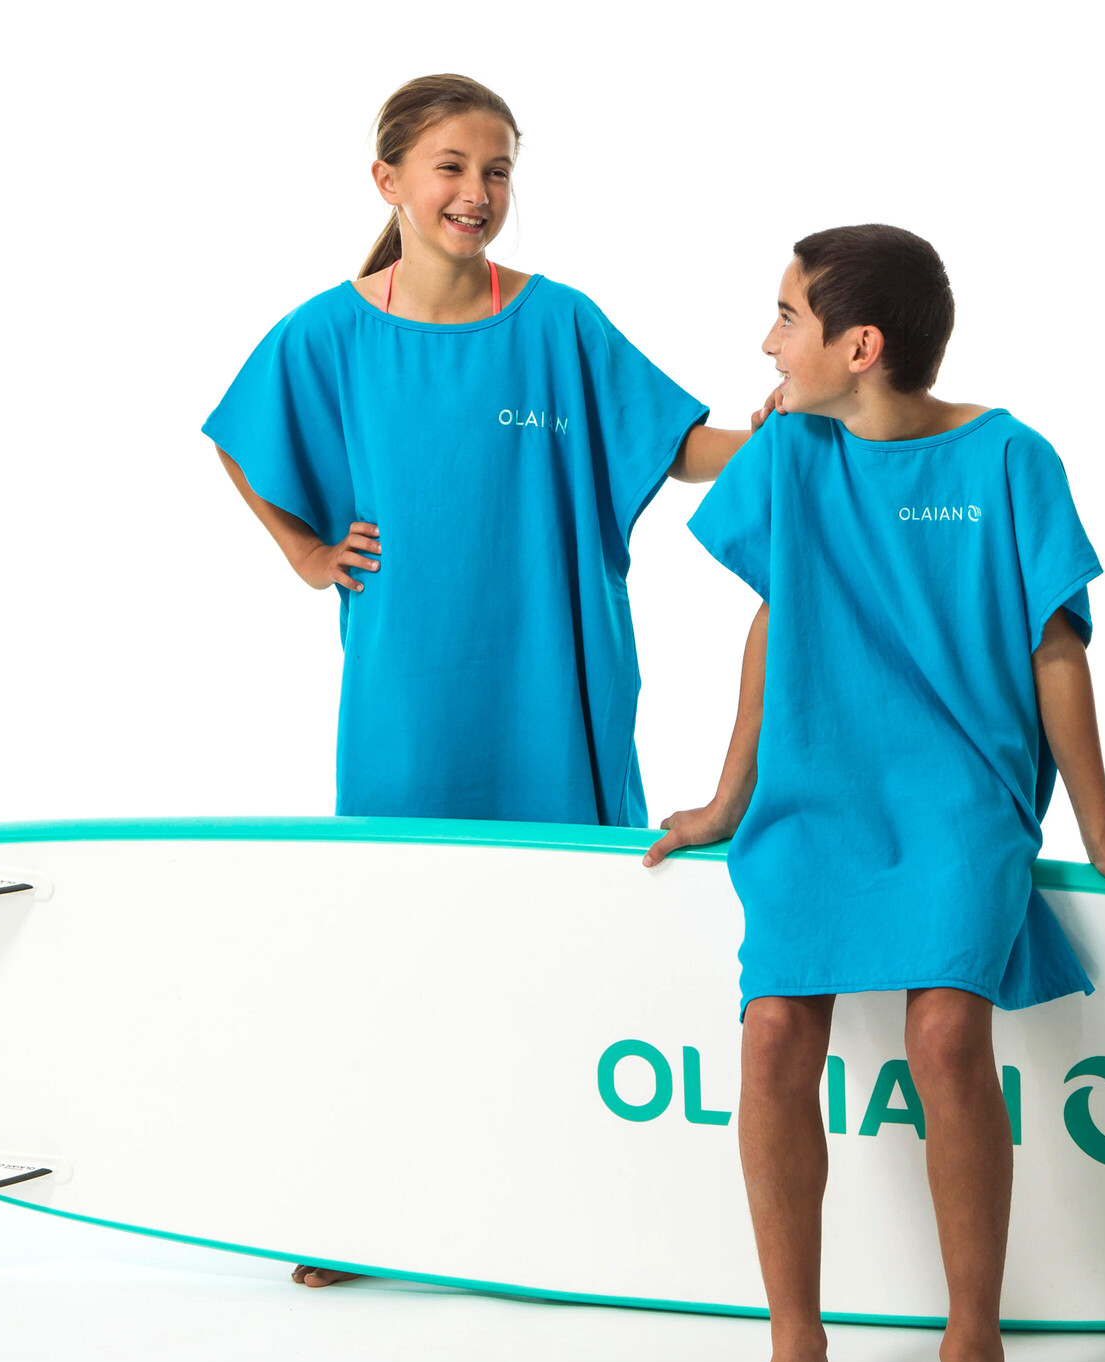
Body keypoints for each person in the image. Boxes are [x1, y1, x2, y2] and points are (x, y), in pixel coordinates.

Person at [643, 225, 1105, 1362]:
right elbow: (773, 625)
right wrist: (728, 798)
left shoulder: (1011, 458)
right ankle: (797, 1351)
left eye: (787, 317)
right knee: (771, 1033)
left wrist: (1102, 829)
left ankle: (974, 1349)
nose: (767, 341)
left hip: (960, 792)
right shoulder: (791, 450)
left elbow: (1055, 648)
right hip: (818, 785)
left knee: (947, 1034)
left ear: (860, 345)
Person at [201, 73, 762, 1288]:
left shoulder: (557, 323)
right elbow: (240, 435)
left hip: (555, 676)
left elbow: (675, 446)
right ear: (389, 180)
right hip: (409, 689)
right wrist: (305, 550)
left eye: (497, 170)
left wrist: (783, 436)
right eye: (452, 166)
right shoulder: (328, 336)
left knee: (566, 937)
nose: (476, 191)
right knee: (400, 935)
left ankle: (563, 1199)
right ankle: (363, 1211)